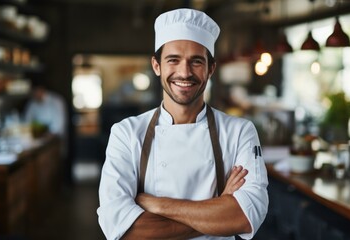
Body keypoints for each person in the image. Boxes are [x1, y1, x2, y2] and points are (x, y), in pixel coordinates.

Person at [97, 8, 268, 240]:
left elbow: (245, 217)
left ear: (211, 69)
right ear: (157, 66)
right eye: (173, 60)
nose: (184, 72)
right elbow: (122, 230)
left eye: (196, 61)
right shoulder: (126, 134)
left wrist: (157, 205)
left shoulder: (240, 132)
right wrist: (218, 208)